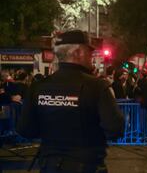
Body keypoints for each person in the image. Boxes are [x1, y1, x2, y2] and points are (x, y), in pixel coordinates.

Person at [17, 30, 124, 173]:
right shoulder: (97, 86)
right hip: (87, 166)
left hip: (50, 166)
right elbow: (115, 129)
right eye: (89, 52)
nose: (92, 57)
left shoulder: (39, 87)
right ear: (78, 52)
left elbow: (25, 129)